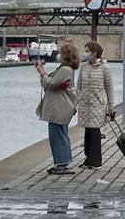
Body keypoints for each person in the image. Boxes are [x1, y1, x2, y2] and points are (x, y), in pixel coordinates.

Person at [36, 39, 81, 173]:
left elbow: (50, 83)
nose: (59, 55)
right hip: (61, 107)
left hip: (60, 108)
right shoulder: (65, 69)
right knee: (60, 134)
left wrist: (41, 72)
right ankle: (63, 162)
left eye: (61, 53)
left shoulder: (65, 70)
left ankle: (61, 163)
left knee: (58, 135)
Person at [74, 40, 115, 168]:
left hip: (98, 104)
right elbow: (79, 86)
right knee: (87, 131)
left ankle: (96, 160)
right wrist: (76, 102)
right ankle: (88, 159)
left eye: (87, 51)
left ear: (94, 52)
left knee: (95, 132)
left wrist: (111, 107)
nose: (85, 54)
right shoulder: (84, 67)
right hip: (85, 104)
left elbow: (109, 88)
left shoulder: (104, 68)